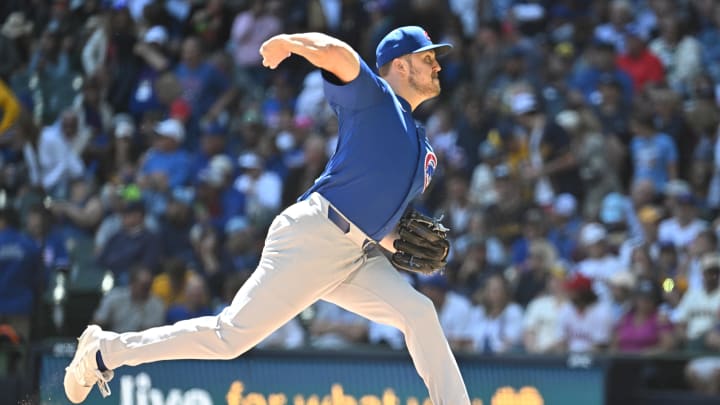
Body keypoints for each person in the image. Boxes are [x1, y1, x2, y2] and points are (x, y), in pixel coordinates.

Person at [63, 26, 470, 404]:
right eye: (427, 56)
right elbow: (337, 53)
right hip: (315, 235)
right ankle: (105, 352)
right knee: (229, 339)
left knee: (419, 313)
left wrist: (402, 242)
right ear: (400, 64)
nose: (436, 64)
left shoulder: (421, 146)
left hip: (356, 253)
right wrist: (290, 43)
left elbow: (381, 218)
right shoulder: (375, 98)